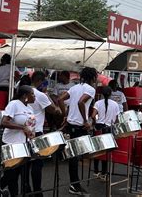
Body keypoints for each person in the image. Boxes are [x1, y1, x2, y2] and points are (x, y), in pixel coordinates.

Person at [57, 67, 97, 195]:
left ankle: (75, 184)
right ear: (93, 78)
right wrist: (85, 121)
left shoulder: (74, 88)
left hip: (71, 125)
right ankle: (74, 185)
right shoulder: (90, 89)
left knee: (75, 157)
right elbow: (81, 102)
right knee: (75, 157)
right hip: (79, 126)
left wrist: (65, 116)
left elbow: (60, 99)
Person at [0, 85, 36, 196]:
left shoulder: (30, 108)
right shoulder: (14, 104)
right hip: (11, 144)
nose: (34, 96)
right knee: (10, 176)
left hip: (23, 145)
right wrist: (22, 128)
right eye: (32, 94)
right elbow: (4, 122)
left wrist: (31, 132)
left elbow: (29, 125)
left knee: (17, 176)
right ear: (25, 95)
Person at [28, 71, 57, 196]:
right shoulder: (40, 95)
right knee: (37, 164)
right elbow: (54, 110)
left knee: (26, 163)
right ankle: (37, 191)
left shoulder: (23, 91)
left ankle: (26, 189)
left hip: (24, 131)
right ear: (40, 81)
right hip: (37, 132)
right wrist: (47, 94)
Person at [91, 86, 120, 179]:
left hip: (99, 127)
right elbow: (117, 119)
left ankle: (96, 171)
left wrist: (95, 123)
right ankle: (104, 173)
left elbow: (92, 116)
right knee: (106, 151)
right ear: (111, 93)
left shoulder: (98, 103)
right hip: (109, 128)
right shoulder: (115, 104)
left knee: (97, 150)